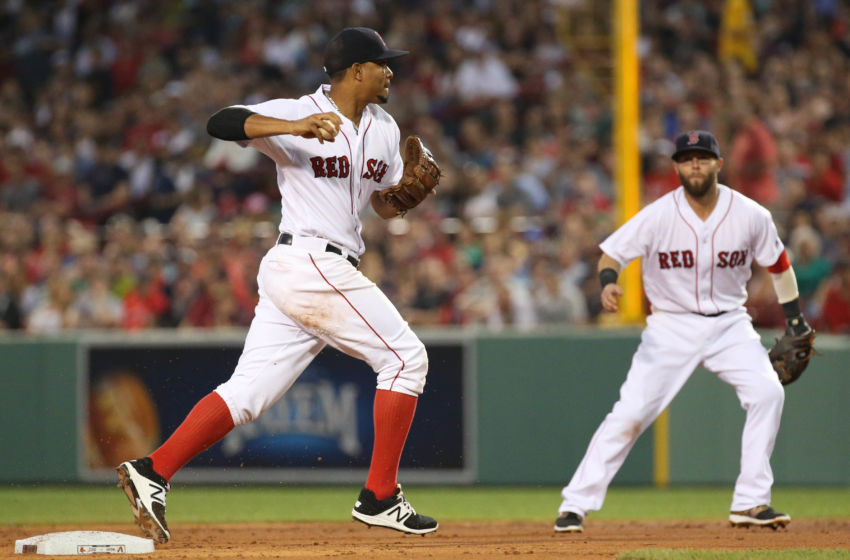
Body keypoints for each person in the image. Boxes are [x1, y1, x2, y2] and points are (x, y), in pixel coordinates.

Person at [116, 27, 439, 543]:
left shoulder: (383, 126)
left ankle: (152, 471)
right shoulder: (297, 111)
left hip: (318, 270)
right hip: (307, 258)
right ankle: (380, 495)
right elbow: (220, 122)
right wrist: (296, 125)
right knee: (405, 359)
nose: (390, 72)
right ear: (356, 71)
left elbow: (381, 202)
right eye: (382, 64)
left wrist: (402, 199)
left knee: (248, 395)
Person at [554, 130, 813, 533]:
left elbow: (779, 266)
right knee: (631, 414)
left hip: (729, 323)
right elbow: (613, 253)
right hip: (670, 326)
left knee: (767, 392)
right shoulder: (659, 214)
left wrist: (795, 318)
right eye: (687, 158)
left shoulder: (750, 214)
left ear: (718, 165)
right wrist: (608, 282)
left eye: (703, 157)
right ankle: (575, 505)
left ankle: (750, 502)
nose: (695, 164)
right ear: (676, 166)